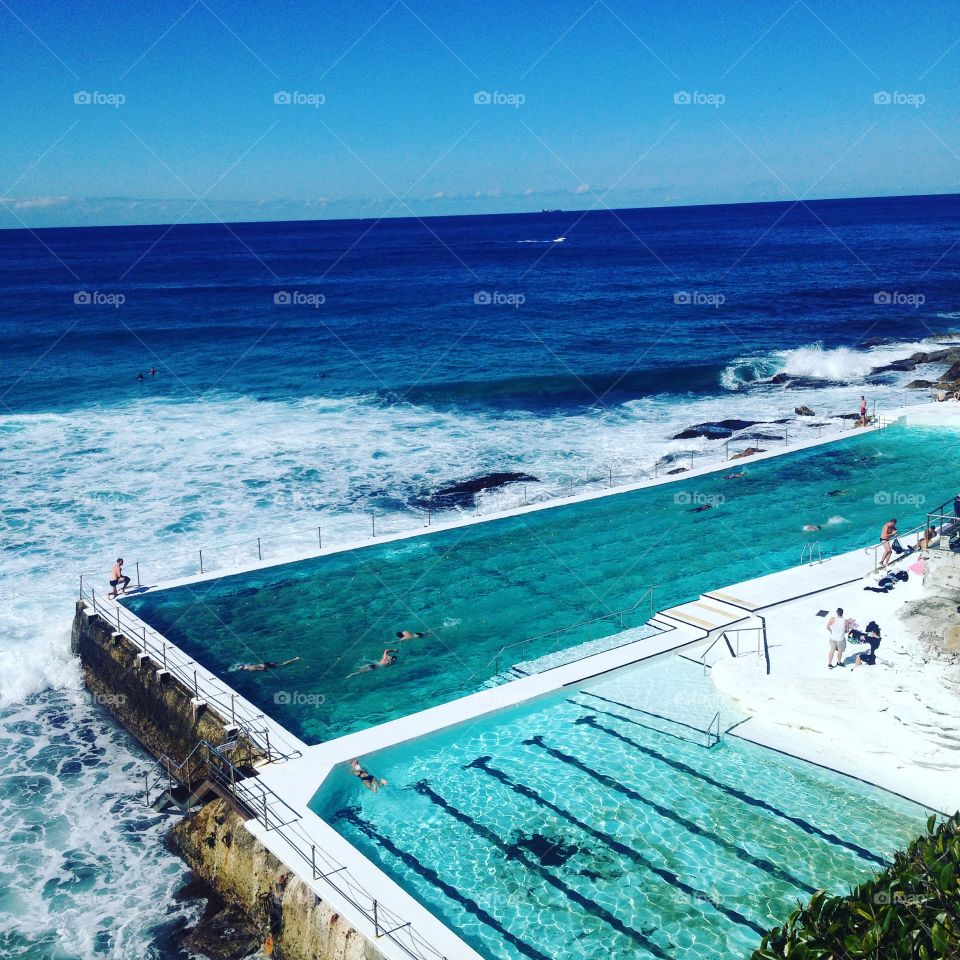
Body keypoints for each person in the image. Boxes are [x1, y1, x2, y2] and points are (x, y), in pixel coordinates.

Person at [230, 657, 300, 672]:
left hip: (266, 665)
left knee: (282, 665)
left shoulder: (250, 668)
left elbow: (258, 667)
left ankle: (294, 659)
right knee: (281, 664)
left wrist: (264, 669)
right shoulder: (247, 666)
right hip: (265, 664)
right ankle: (294, 660)